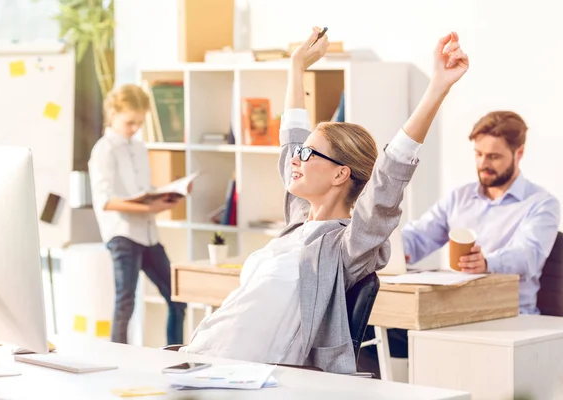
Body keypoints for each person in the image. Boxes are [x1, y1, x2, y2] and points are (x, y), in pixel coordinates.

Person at [179, 27, 469, 374]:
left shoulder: (344, 247)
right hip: (201, 358)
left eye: (308, 154)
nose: (295, 159)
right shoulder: (298, 222)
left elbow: (386, 185)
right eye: (299, 153)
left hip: (253, 377)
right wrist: (296, 67)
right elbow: (291, 141)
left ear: (340, 174)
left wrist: (437, 88)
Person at [359, 110, 561, 376]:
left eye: (494, 156)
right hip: (453, 312)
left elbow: (528, 254)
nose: (483, 163)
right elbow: (419, 237)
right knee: (364, 329)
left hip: (508, 313)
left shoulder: (541, 203)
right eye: (478, 154)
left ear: (519, 153)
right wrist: (385, 248)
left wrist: (487, 262)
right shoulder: (460, 197)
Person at [88, 84, 186, 345]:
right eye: (130, 122)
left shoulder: (139, 147)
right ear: (113, 114)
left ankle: (173, 354)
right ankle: (118, 358)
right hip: (123, 235)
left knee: (177, 297)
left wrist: (164, 197)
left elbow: (143, 190)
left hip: (148, 234)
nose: (134, 128)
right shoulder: (103, 150)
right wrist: (148, 207)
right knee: (125, 302)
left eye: (139, 123)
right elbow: (105, 201)